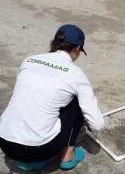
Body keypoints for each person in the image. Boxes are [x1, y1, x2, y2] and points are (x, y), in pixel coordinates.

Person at [0, 24, 104, 171]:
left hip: (5, 144)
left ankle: (28, 161)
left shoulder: (29, 60)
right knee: (76, 101)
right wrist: (85, 122)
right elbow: (97, 125)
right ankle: (68, 156)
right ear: (77, 49)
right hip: (38, 150)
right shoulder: (75, 74)